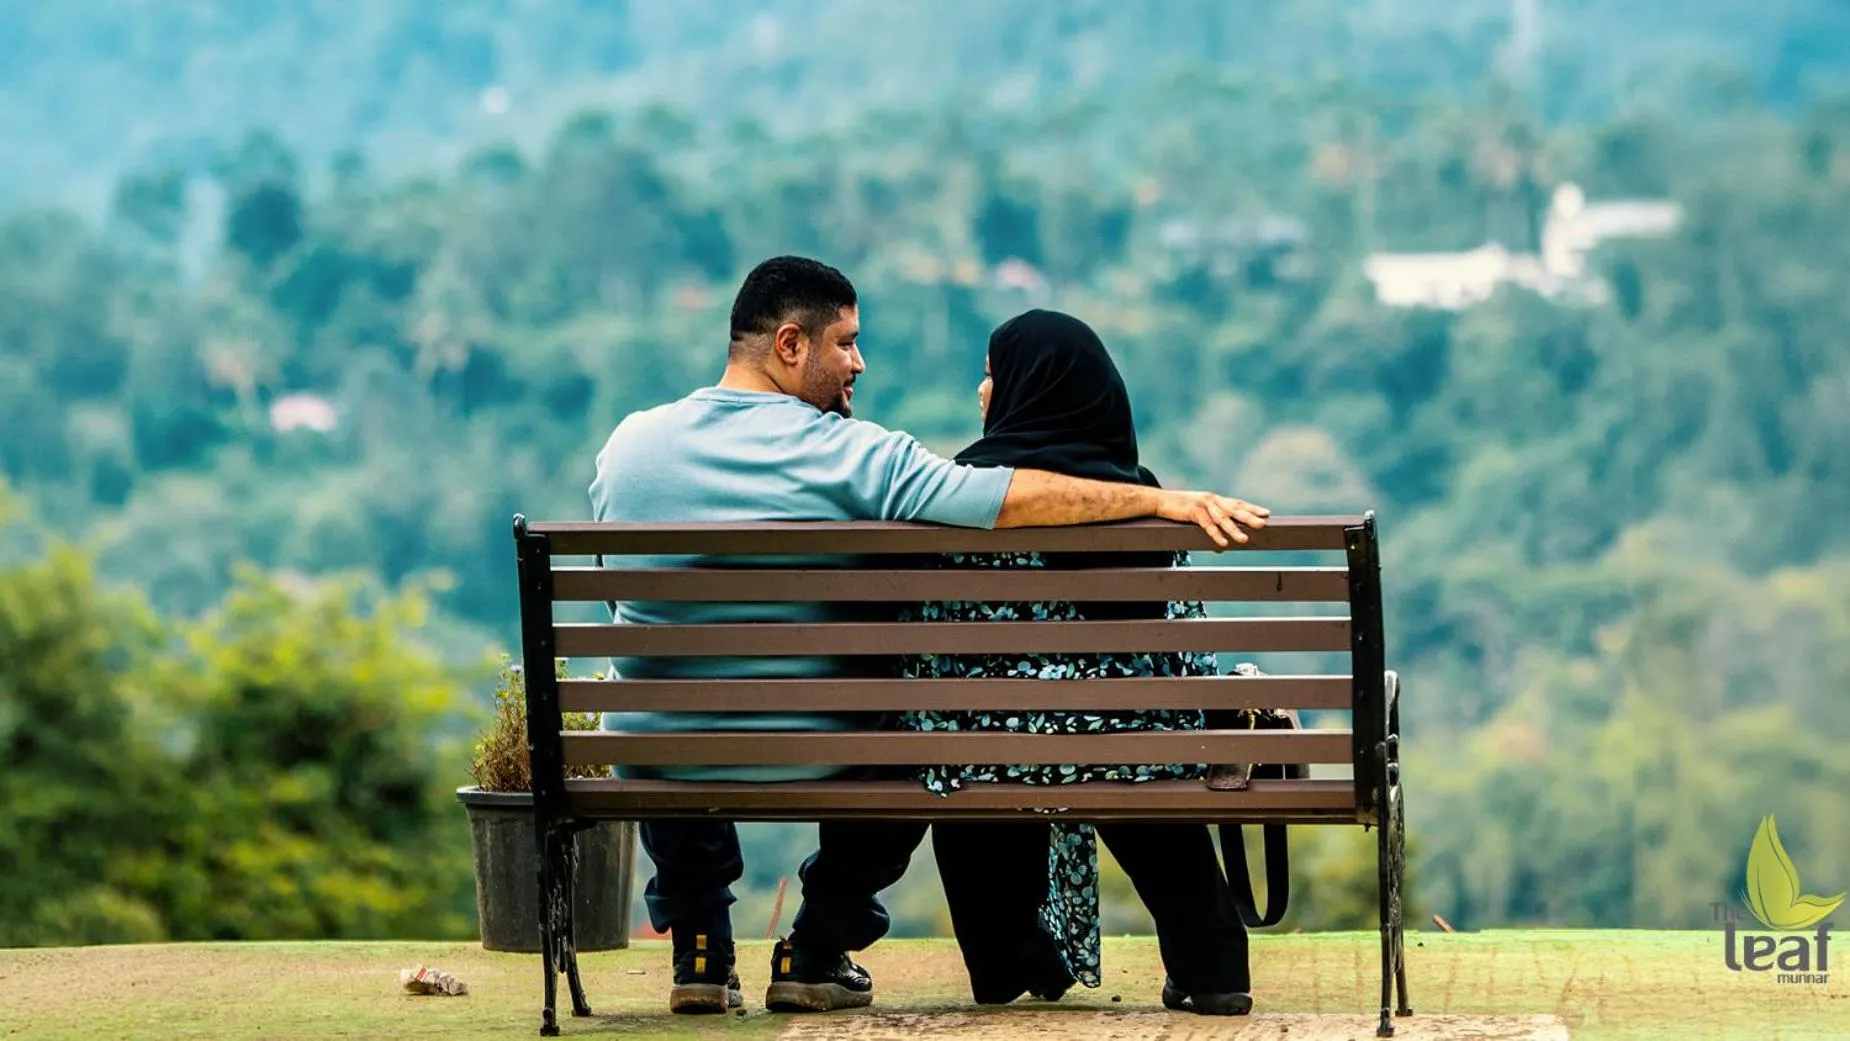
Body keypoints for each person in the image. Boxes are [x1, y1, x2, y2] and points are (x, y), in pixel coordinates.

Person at [588, 256, 1269, 1016]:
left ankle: (702, 952)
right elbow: (1000, 493)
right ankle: (816, 947)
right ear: (789, 344)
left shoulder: (628, 446)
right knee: (917, 721)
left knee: (659, 706)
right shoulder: (853, 452)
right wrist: (1166, 502)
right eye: (845, 343)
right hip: (814, 746)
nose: (859, 361)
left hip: (661, 751)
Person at [900, 309, 1257, 1015]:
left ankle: (1006, 959)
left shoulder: (958, 500)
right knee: (1139, 750)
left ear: (1026, 387)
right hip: (1130, 755)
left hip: (983, 754)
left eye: (993, 373)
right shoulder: (1148, 503)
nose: (982, 389)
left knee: (979, 748)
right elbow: (1185, 658)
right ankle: (1212, 965)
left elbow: (924, 648)